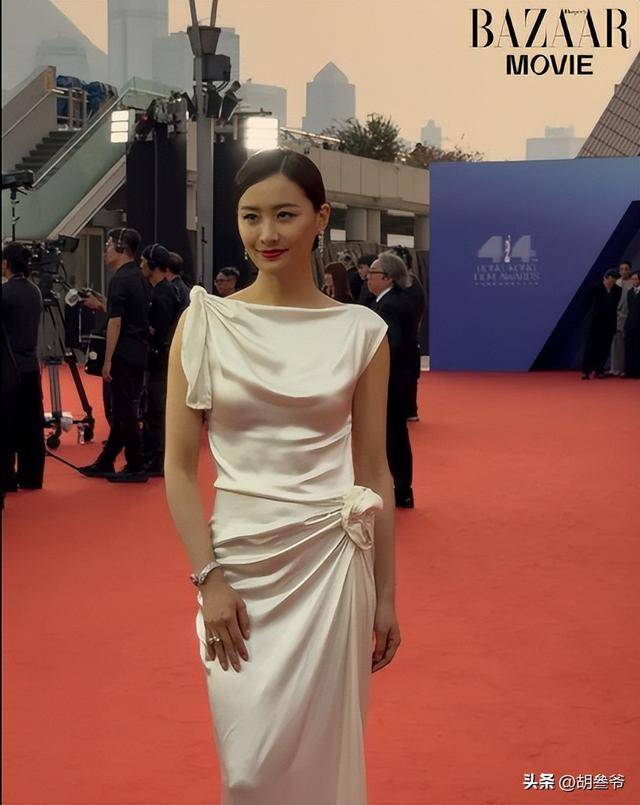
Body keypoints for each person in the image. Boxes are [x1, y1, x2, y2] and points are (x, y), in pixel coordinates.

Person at [164, 148, 400, 805]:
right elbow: (178, 469)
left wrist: (385, 594)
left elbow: (374, 470)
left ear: (321, 217)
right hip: (237, 567)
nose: (266, 233)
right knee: (248, 768)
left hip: (330, 568)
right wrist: (208, 577)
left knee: (320, 757)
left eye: (285, 215)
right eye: (251, 217)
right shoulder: (203, 323)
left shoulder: (362, 332)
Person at [79, 228, 150, 481]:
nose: (105, 250)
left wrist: (107, 360)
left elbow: (116, 322)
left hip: (123, 352)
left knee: (124, 410)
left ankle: (135, 465)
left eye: (108, 245)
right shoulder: (139, 277)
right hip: (138, 349)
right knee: (124, 409)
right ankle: (107, 460)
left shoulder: (120, 279)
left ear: (121, 248)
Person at [367, 251, 416, 508]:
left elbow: (391, 345)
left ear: (387, 278)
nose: (367, 277)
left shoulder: (388, 306)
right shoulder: (401, 300)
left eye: (372, 273)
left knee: (392, 437)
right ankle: (402, 488)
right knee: (397, 436)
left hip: (391, 381)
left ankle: (397, 488)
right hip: (401, 380)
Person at [0, 242, 45, 492]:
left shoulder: (5, 292)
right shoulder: (35, 291)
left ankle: (6, 477)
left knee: (6, 424)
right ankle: (31, 476)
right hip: (30, 365)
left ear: (6, 263)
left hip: (8, 367)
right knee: (31, 424)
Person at [390, 246, 426, 421]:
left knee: (405, 377)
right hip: (409, 339)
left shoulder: (409, 286)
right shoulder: (411, 284)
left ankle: (406, 410)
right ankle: (409, 410)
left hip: (405, 340)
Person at [581, 270, 622, 380]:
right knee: (591, 347)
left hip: (609, 323)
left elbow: (615, 306)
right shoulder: (595, 288)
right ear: (606, 278)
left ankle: (599, 369)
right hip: (594, 322)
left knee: (604, 348)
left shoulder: (618, 290)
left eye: (614, 282)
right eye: (611, 281)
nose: (613, 284)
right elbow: (586, 303)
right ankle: (586, 370)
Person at [609, 260, 634, 376]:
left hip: (628, 316)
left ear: (630, 270)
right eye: (621, 269)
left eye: (626, 269)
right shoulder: (616, 282)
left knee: (626, 345)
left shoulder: (633, 283)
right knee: (614, 344)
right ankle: (614, 368)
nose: (623, 271)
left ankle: (624, 369)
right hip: (615, 316)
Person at [624, 269, 640, 378]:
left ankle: (638, 371)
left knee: (638, 348)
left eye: (635, 279)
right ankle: (629, 371)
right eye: (632, 279)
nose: (634, 281)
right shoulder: (629, 292)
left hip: (639, 325)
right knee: (629, 348)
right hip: (630, 324)